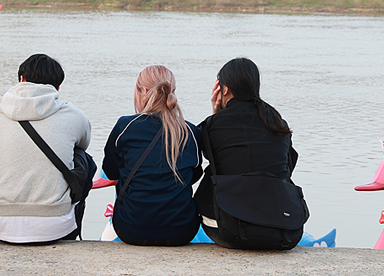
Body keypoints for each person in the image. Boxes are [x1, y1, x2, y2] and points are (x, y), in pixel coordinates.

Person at [193, 57, 306, 250]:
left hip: (229, 229)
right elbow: (287, 169)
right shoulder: (278, 124)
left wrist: (216, 115)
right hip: (284, 228)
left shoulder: (212, 126)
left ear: (224, 89)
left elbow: (200, 165)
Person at [0, 54, 92, 244]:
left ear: (22, 79)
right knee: (82, 157)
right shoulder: (74, 114)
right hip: (54, 224)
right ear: (57, 87)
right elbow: (84, 145)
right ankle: (74, 225)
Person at [101, 65, 203, 246]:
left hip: (131, 229)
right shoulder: (190, 132)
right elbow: (194, 175)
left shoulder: (125, 127)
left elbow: (111, 172)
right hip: (181, 231)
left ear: (142, 92)